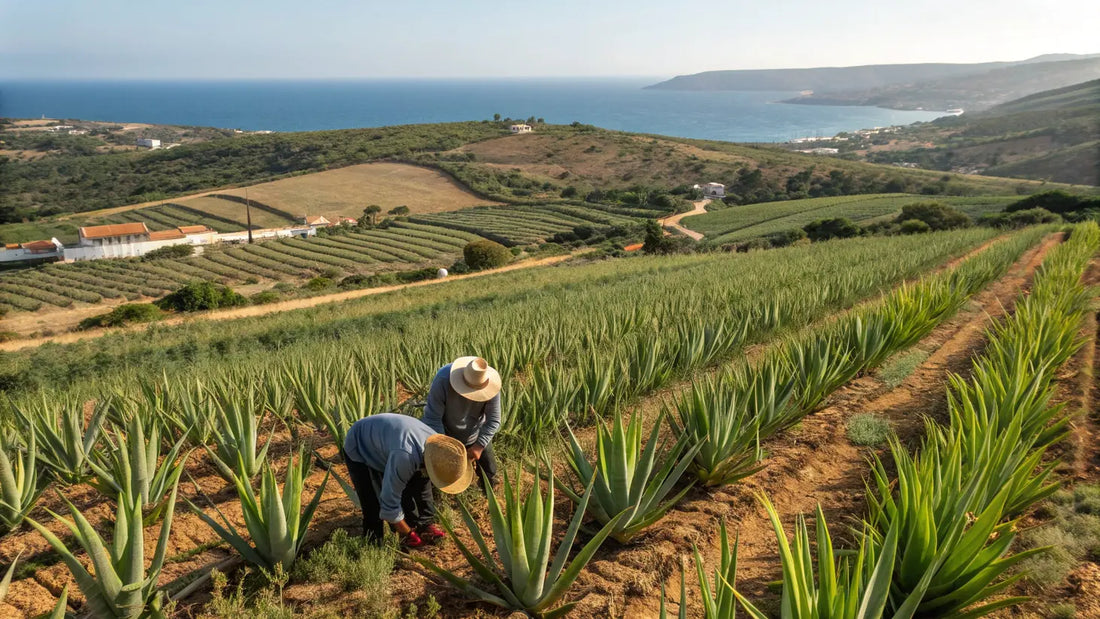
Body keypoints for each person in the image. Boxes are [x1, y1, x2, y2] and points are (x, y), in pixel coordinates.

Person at [343, 412, 473, 547]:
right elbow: (389, 502)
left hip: (390, 443)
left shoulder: (438, 448)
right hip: (361, 445)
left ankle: (422, 526)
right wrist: (408, 532)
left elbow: (423, 486)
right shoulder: (406, 457)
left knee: (418, 483)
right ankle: (373, 547)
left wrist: (427, 524)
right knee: (372, 506)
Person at [423, 356, 502, 487]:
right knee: (437, 470)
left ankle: (489, 492)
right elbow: (432, 418)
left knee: (489, 471)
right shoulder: (443, 379)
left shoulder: (491, 384)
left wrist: (479, 446)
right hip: (445, 432)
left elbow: (493, 420)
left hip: (475, 433)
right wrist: (445, 446)